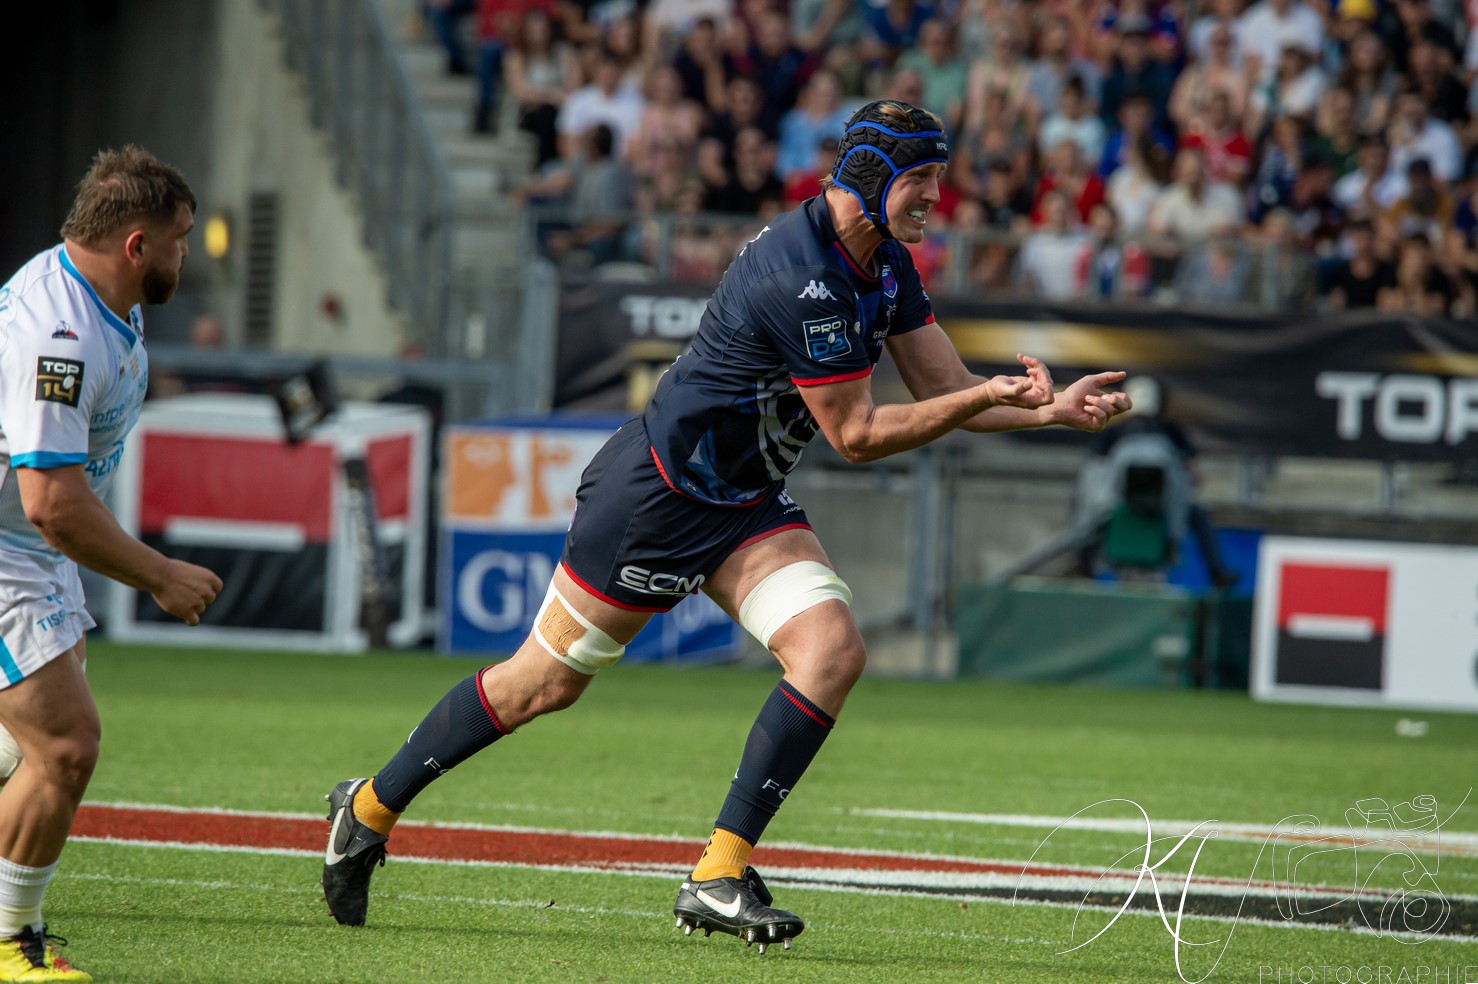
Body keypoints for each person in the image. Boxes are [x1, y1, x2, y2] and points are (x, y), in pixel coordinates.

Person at [319, 100, 1131, 948]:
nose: (938, 196)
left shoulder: (884, 262)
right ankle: (367, 807)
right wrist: (982, 398)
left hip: (743, 503)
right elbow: (856, 436)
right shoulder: (801, 274)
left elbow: (943, 389)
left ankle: (716, 871)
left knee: (832, 653)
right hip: (657, 500)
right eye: (921, 178)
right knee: (541, 685)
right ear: (871, 176)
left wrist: (1045, 413)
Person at [0, 146, 223, 981]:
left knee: (28, 751)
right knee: (65, 747)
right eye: (180, 238)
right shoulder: (56, 333)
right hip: (13, 547)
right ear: (137, 244)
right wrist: (157, 574)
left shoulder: (107, 300)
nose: (185, 254)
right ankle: (10, 945)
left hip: (29, 549)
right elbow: (50, 502)